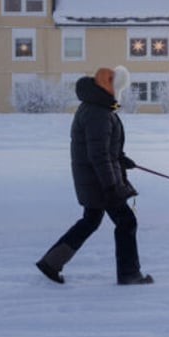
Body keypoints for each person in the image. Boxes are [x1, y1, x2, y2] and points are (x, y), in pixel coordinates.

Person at [36, 65, 153, 285]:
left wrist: (121, 159)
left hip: (95, 179)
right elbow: (98, 155)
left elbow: (104, 148)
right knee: (126, 221)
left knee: (90, 221)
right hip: (101, 182)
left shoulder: (96, 108)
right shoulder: (98, 112)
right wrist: (111, 186)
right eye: (118, 89)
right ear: (109, 88)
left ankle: (51, 262)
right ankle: (129, 274)